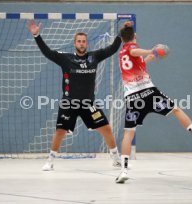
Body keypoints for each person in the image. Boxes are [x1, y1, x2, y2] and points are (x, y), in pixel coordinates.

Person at [115, 22, 192, 183]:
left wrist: (148, 58)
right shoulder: (131, 49)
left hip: (133, 98)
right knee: (176, 110)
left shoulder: (121, 54)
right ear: (135, 36)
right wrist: (150, 50)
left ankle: (124, 171)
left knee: (129, 133)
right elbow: (134, 51)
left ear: (121, 38)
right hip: (149, 93)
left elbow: (136, 62)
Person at [27, 20, 122, 171]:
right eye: (79, 41)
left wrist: (121, 35)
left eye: (84, 41)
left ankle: (116, 158)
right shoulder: (66, 58)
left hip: (88, 104)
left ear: (87, 44)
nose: (82, 44)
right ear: (74, 43)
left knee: (106, 128)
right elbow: (47, 52)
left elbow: (112, 49)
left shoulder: (94, 57)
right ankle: (50, 161)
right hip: (69, 103)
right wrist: (37, 35)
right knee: (60, 131)